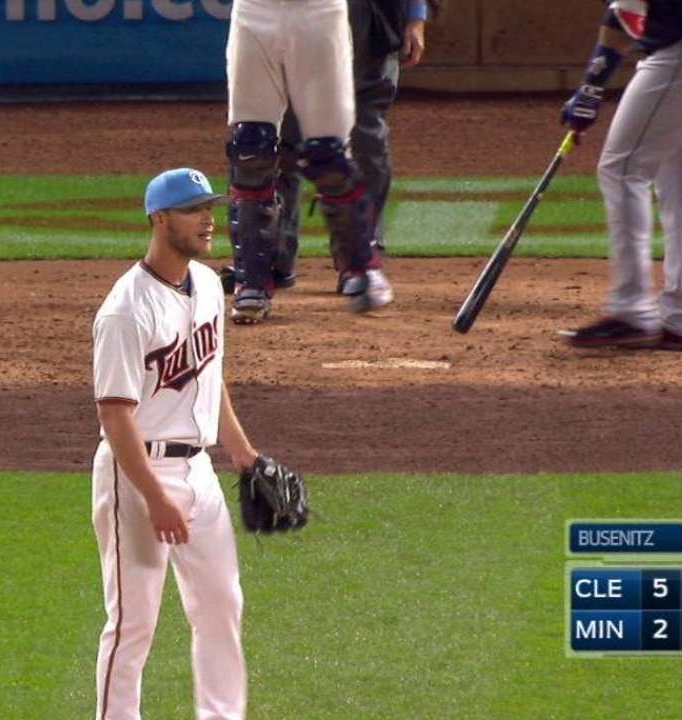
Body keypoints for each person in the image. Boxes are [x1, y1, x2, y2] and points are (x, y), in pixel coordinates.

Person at [91, 168, 263, 719]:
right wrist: (154, 497)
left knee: (221, 603)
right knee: (132, 623)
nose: (208, 219)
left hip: (199, 472)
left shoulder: (208, 285)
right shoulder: (125, 309)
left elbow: (209, 377)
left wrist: (242, 452)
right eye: (193, 210)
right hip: (136, 473)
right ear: (159, 219)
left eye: (209, 207)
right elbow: (115, 415)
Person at [558, 0, 682, 351]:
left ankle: (632, 311)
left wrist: (592, 87)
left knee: (622, 170)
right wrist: (592, 89)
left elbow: (624, 15)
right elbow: (626, 15)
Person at [224, 0, 398, 323]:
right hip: (253, 10)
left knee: (328, 156)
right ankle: (252, 282)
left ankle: (361, 266)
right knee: (250, 149)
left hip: (319, 12)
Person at [273, 0, 441, 295]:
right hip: (297, 17)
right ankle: (272, 257)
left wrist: (416, 15)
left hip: (371, 20)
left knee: (367, 144)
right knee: (281, 141)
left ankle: (359, 259)